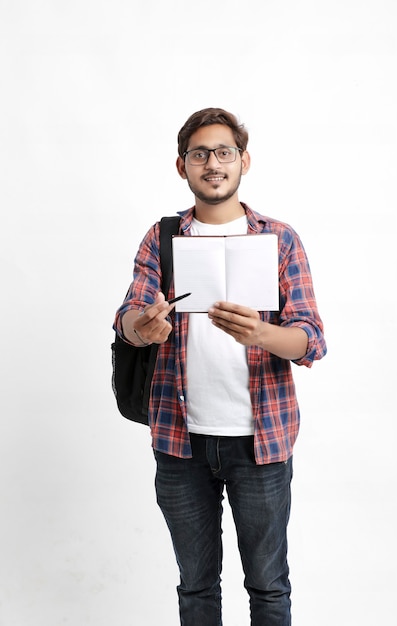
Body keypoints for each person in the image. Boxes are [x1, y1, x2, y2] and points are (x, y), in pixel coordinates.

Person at [113, 107, 327, 625]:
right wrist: (145, 326)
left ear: (244, 161)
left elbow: (311, 341)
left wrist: (261, 334)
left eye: (224, 152)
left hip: (262, 442)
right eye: (200, 154)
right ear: (182, 166)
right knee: (196, 588)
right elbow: (126, 320)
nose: (213, 163)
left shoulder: (279, 237)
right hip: (180, 443)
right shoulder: (162, 237)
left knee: (269, 587)